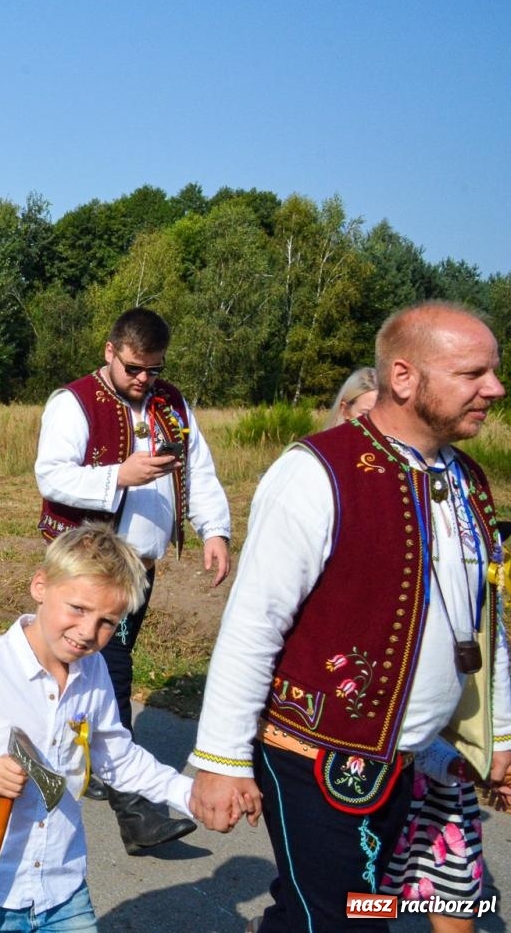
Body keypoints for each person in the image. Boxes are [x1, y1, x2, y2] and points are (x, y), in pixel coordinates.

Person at [189, 301, 510, 933]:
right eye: (472, 374)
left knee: (328, 913)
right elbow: (254, 623)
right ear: (404, 377)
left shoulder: (469, 478)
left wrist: (497, 734)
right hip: (317, 755)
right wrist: (220, 760)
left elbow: (485, 621)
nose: (494, 389)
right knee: (343, 923)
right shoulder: (318, 473)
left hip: (413, 757)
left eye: (493, 372)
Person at [0, 524, 199, 933]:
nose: (87, 633)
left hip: (60, 880)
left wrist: (188, 793)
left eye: (107, 622)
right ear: (40, 586)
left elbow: (114, 755)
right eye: (77, 609)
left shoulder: (93, 670)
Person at [33, 306, 229, 854]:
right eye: (134, 368)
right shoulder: (73, 401)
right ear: (109, 351)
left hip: (141, 569)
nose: (144, 379)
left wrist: (215, 531)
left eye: (154, 369)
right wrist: (118, 476)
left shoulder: (172, 405)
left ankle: (78, 760)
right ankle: (137, 813)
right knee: (113, 678)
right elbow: (51, 474)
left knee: (86, 673)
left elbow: (200, 471)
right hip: (89, 568)